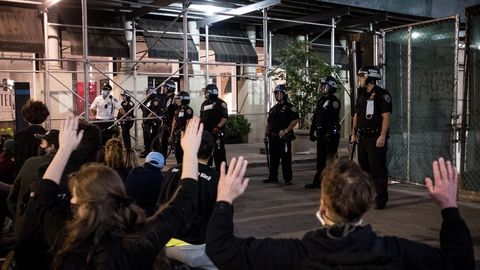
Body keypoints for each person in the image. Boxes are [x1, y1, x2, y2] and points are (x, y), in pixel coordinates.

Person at [205, 156, 475, 270]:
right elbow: (459, 263)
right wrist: (449, 207)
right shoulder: (396, 252)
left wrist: (224, 199)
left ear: (322, 204)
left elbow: (219, 248)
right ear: (367, 203)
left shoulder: (293, 255)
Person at [27, 116, 204, 269]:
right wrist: (189, 153)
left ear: (76, 201)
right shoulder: (141, 240)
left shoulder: (67, 239)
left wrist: (64, 149)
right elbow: (184, 202)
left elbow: (42, 197)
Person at [9, 122, 100, 270]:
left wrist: (65, 149)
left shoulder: (41, 171)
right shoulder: (98, 182)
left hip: (31, 255)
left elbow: (39, 199)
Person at [158, 131, 218, 269]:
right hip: (196, 247)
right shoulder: (215, 179)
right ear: (212, 150)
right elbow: (220, 220)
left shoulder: (170, 173)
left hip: (166, 243)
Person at [351, 65, 392, 210]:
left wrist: (382, 136)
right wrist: (354, 134)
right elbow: (356, 115)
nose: (360, 79)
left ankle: (381, 199)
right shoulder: (362, 94)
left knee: (378, 170)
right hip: (363, 138)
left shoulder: (382, 95)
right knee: (364, 170)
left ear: (370, 77)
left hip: (376, 138)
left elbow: (386, 117)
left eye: (362, 76)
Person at [305, 76, 341, 189]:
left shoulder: (334, 101)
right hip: (321, 134)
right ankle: (318, 181)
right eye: (322, 85)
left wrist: (329, 133)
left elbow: (332, 119)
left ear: (331, 87)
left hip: (330, 135)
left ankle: (333, 183)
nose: (322, 87)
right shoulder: (321, 100)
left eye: (325, 85)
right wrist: (312, 131)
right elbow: (316, 117)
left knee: (331, 160)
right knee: (320, 160)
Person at [263, 84, 299, 185]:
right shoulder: (273, 108)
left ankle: (287, 178)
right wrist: (266, 134)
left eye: (280, 93)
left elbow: (295, 120)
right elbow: (269, 122)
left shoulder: (290, 107)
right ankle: (273, 177)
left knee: (285, 159)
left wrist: (286, 130)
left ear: (284, 94)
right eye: (276, 93)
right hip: (273, 137)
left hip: (283, 138)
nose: (278, 95)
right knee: (273, 158)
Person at [14, 100, 50, 175]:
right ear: (45, 117)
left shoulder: (19, 135)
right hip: (44, 175)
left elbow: (17, 159)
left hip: (23, 174)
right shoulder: (48, 136)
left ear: (25, 118)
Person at [125, 151, 165, 216]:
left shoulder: (134, 172)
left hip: (130, 214)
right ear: (162, 166)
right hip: (149, 218)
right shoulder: (161, 179)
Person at [200, 84, 228, 171]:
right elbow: (202, 117)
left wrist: (217, 127)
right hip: (206, 134)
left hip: (216, 134)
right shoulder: (204, 103)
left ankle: (221, 174)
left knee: (219, 155)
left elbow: (224, 118)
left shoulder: (221, 103)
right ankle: (207, 173)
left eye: (206, 93)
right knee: (206, 155)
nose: (205, 94)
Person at [140, 86, 166, 158]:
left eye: (147, 92)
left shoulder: (155, 100)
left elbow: (154, 112)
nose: (146, 93)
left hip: (152, 123)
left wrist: (147, 119)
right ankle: (147, 150)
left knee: (153, 138)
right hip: (146, 123)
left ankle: (156, 152)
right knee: (147, 138)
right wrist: (144, 121)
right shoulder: (148, 100)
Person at [170, 91, 194, 164]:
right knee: (178, 154)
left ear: (183, 99)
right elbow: (174, 122)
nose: (176, 100)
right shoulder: (177, 110)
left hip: (184, 134)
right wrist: (171, 134)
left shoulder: (188, 110)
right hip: (177, 134)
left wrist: (186, 136)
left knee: (184, 154)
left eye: (178, 99)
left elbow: (188, 123)